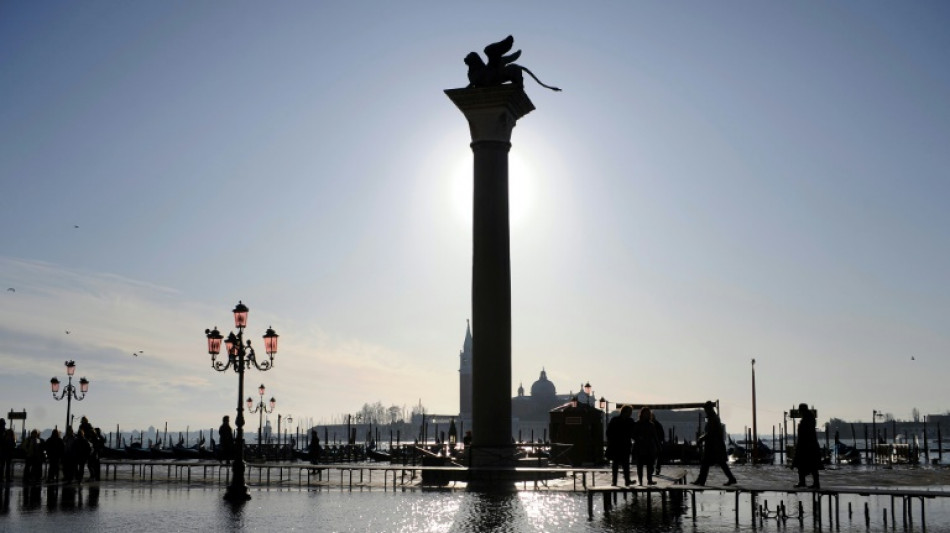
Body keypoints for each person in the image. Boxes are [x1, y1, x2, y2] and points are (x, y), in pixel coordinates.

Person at [694, 401, 737, 486]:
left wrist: (701, 438)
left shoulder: (713, 419)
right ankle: (700, 481)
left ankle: (701, 481)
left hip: (715, 446)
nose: (705, 411)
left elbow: (710, 432)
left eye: (706, 409)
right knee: (708, 463)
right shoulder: (712, 418)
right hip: (714, 445)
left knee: (711, 463)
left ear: (709, 409)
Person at [792, 403, 822, 489]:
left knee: (807, 464)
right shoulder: (809, 418)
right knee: (811, 465)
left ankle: (806, 482)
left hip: (806, 445)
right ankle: (810, 482)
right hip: (809, 444)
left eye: (800, 410)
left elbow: (805, 433)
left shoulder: (807, 419)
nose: (800, 412)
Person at [606, 405, 635, 486]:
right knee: (621, 464)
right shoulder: (630, 421)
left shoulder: (615, 420)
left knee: (621, 464)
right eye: (629, 412)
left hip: (619, 444)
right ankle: (622, 481)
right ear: (625, 412)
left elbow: (608, 432)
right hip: (620, 444)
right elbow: (633, 433)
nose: (630, 414)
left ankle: (617, 481)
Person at [633, 407, 660, 485]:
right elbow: (633, 435)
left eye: (648, 413)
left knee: (650, 465)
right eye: (646, 413)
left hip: (649, 447)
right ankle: (640, 481)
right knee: (639, 466)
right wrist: (638, 438)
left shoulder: (651, 425)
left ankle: (649, 480)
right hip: (639, 447)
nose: (647, 414)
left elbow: (655, 436)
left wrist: (658, 446)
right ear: (642, 414)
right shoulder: (637, 423)